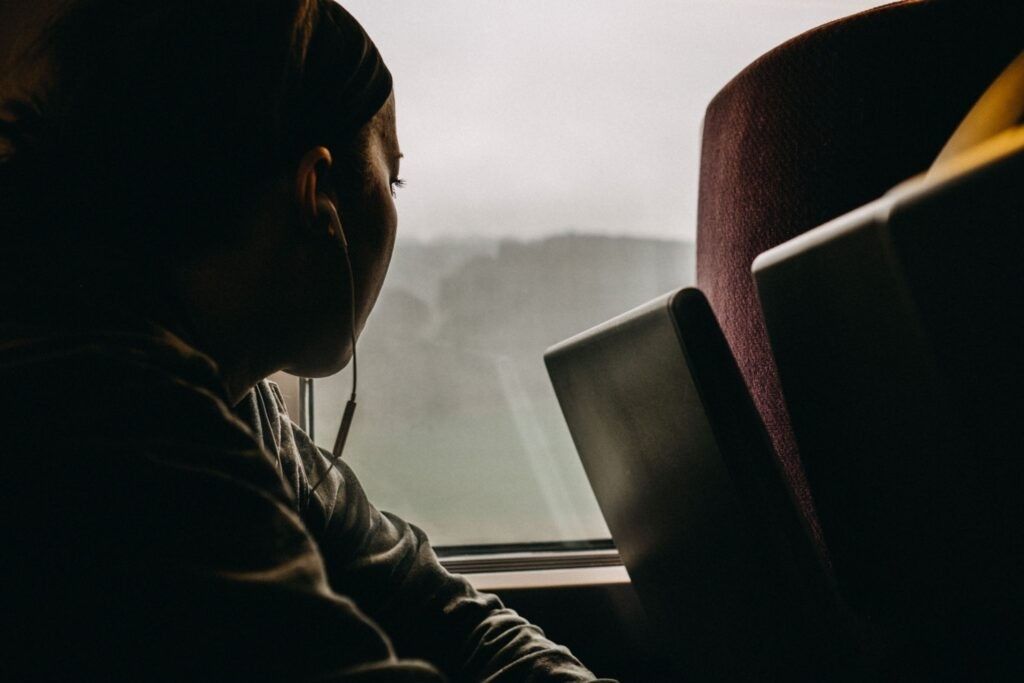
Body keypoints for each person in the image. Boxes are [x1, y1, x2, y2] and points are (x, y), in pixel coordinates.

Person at [0, 1, 613, 680]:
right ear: (316, 193)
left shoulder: (235, 403)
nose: (396, 203)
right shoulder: (113, 425)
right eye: (393, 177)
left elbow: (434, 606)